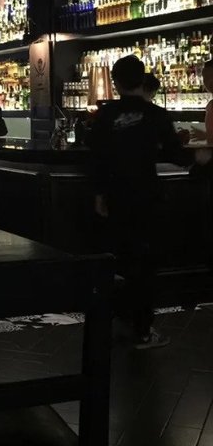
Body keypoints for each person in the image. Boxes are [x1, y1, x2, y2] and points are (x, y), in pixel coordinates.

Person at [88, 55, 192, 349]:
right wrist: (197, 157)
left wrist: (99, 195)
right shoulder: (157, 115)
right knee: (145, 264)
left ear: (115, 82)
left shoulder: (106, 115)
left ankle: (119, 320)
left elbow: (96, 157)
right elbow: (175, 153)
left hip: (116, 198)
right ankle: (143, 331)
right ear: (142, 79)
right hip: (147, 197)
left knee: (119, 260)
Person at [190, 59, 213, 144]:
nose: (209, 81)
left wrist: (206, 136)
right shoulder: (210, 105)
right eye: (205, 77)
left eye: (212, 76)